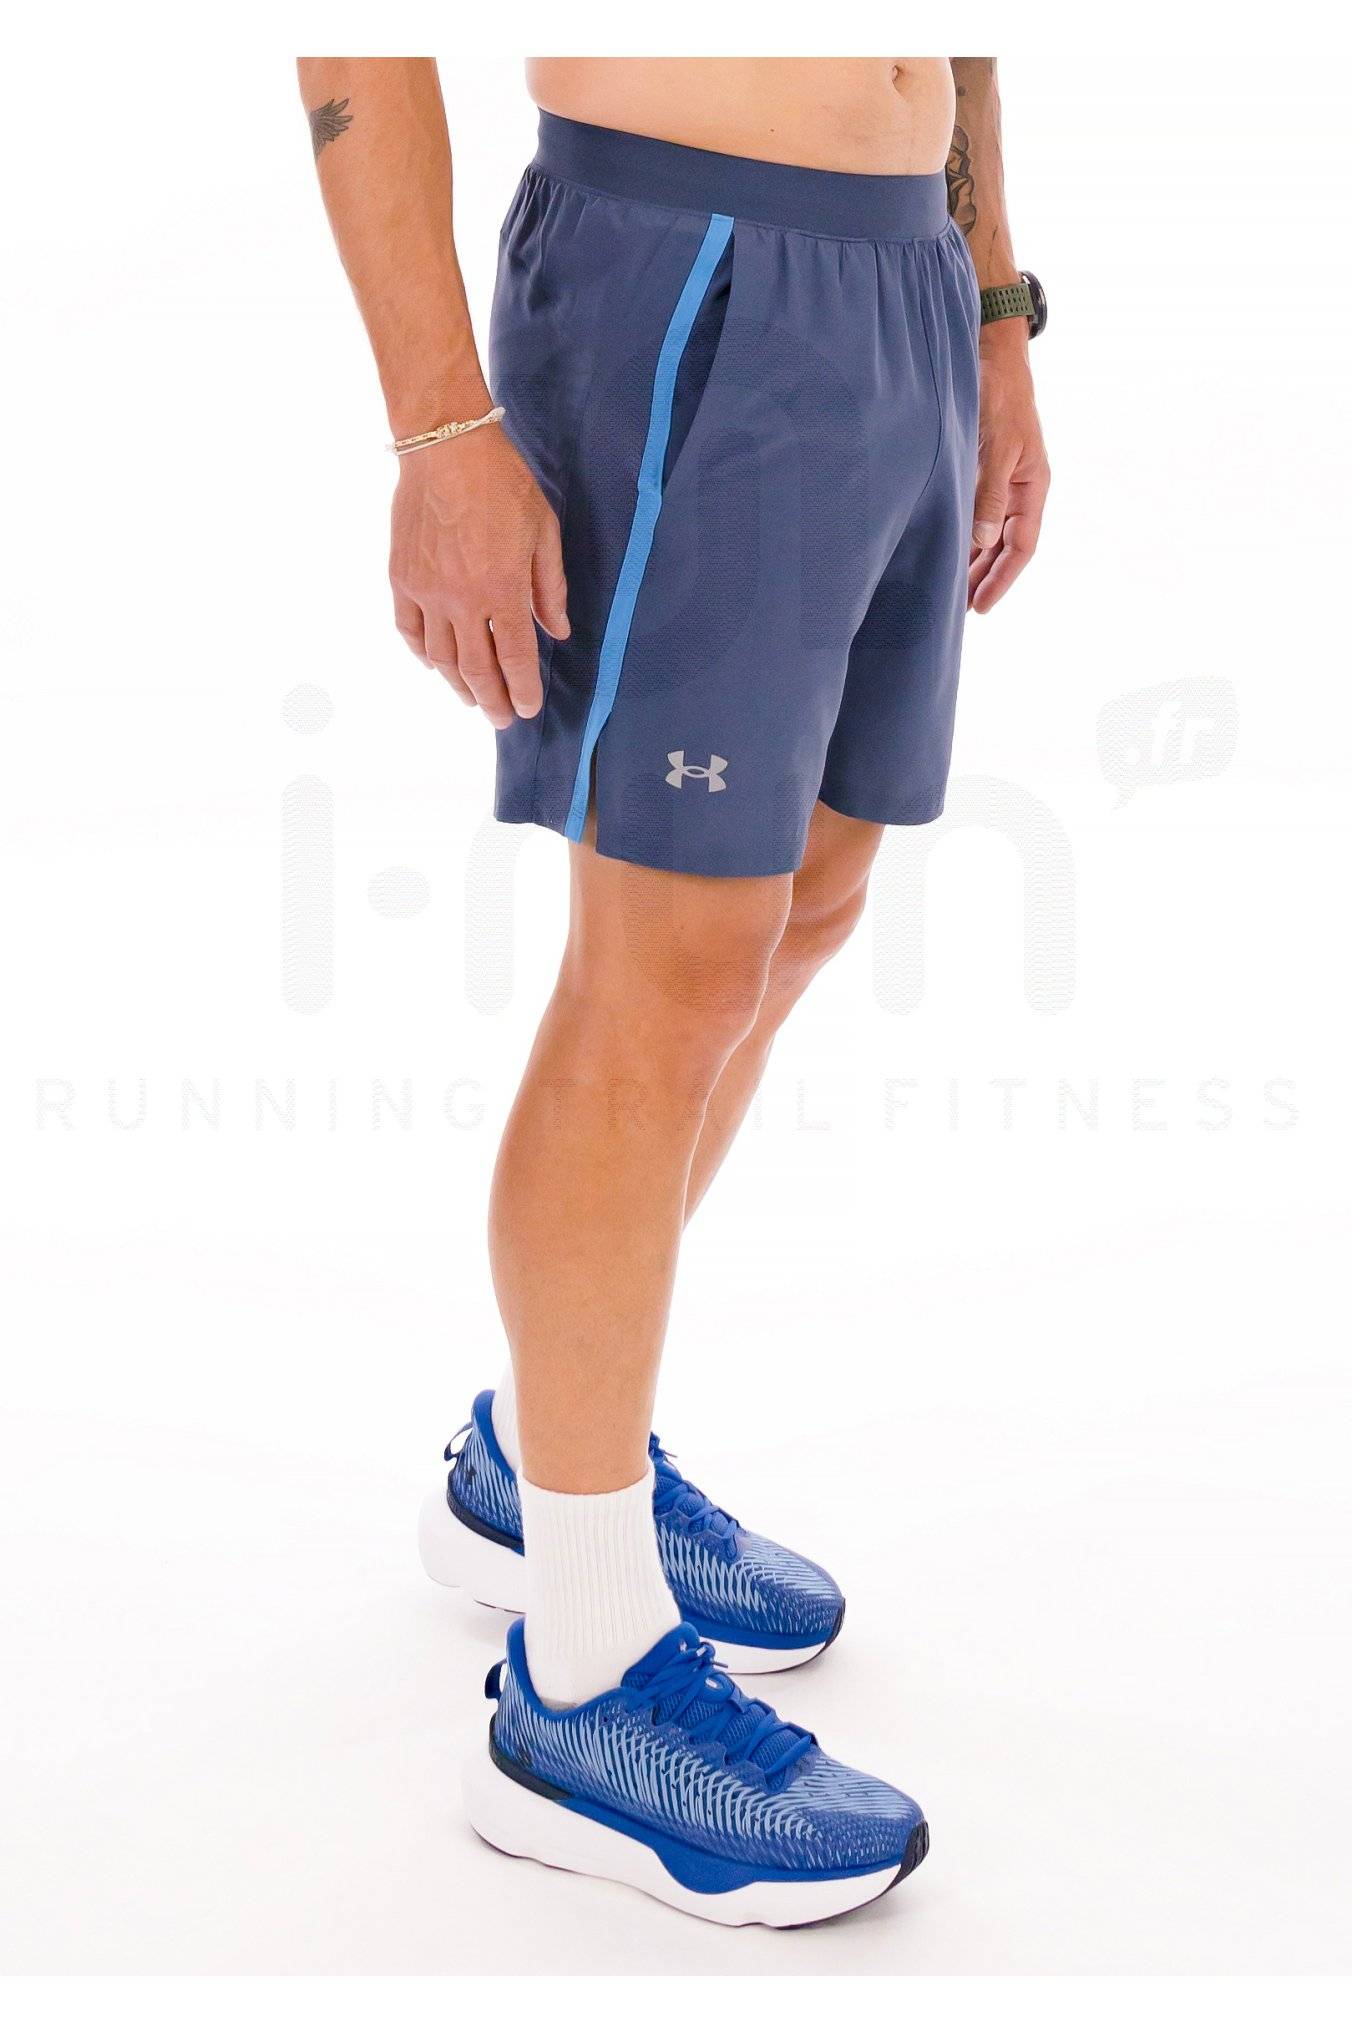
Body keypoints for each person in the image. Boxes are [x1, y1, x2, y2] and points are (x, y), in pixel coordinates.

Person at [299, 55, 1049, 1927]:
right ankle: (580, 1684)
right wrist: (437, 427)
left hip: (898, 276)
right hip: (689, 265)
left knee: (810, 899)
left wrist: (992, 303)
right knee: (669, 964)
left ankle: (535, 1463)